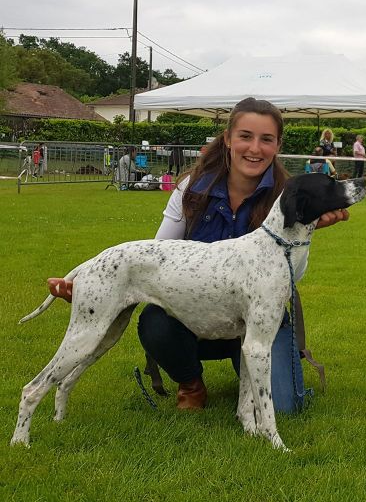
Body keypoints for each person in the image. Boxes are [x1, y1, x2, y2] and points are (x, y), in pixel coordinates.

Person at [48, 98, 349, 411]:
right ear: (228, 138)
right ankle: (191, 384)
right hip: (194, 315)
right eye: (245, 136)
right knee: (155, 320)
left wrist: (306, 230)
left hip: (257, 314)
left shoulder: (291, 195)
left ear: (277, 145)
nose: (255, 148)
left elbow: (290, 278)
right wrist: (96, 285)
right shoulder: (192, 188)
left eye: (266, 139)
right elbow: (157, 260)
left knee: (286, 407)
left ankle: (249, 372)